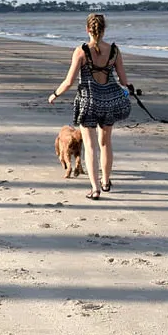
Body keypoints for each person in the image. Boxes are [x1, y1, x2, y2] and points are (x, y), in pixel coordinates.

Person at [49, 11, 131, 199]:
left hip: (88, 102)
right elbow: (124, 81)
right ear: (104, 30)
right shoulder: (114, 51)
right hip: (109, 102)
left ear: (87, 29)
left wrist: (55, 94)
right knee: (105, 143)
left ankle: (95, 189)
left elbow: (69, 81)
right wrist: (127, 91)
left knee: (90, 146)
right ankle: (106, 180)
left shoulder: (81, 51)